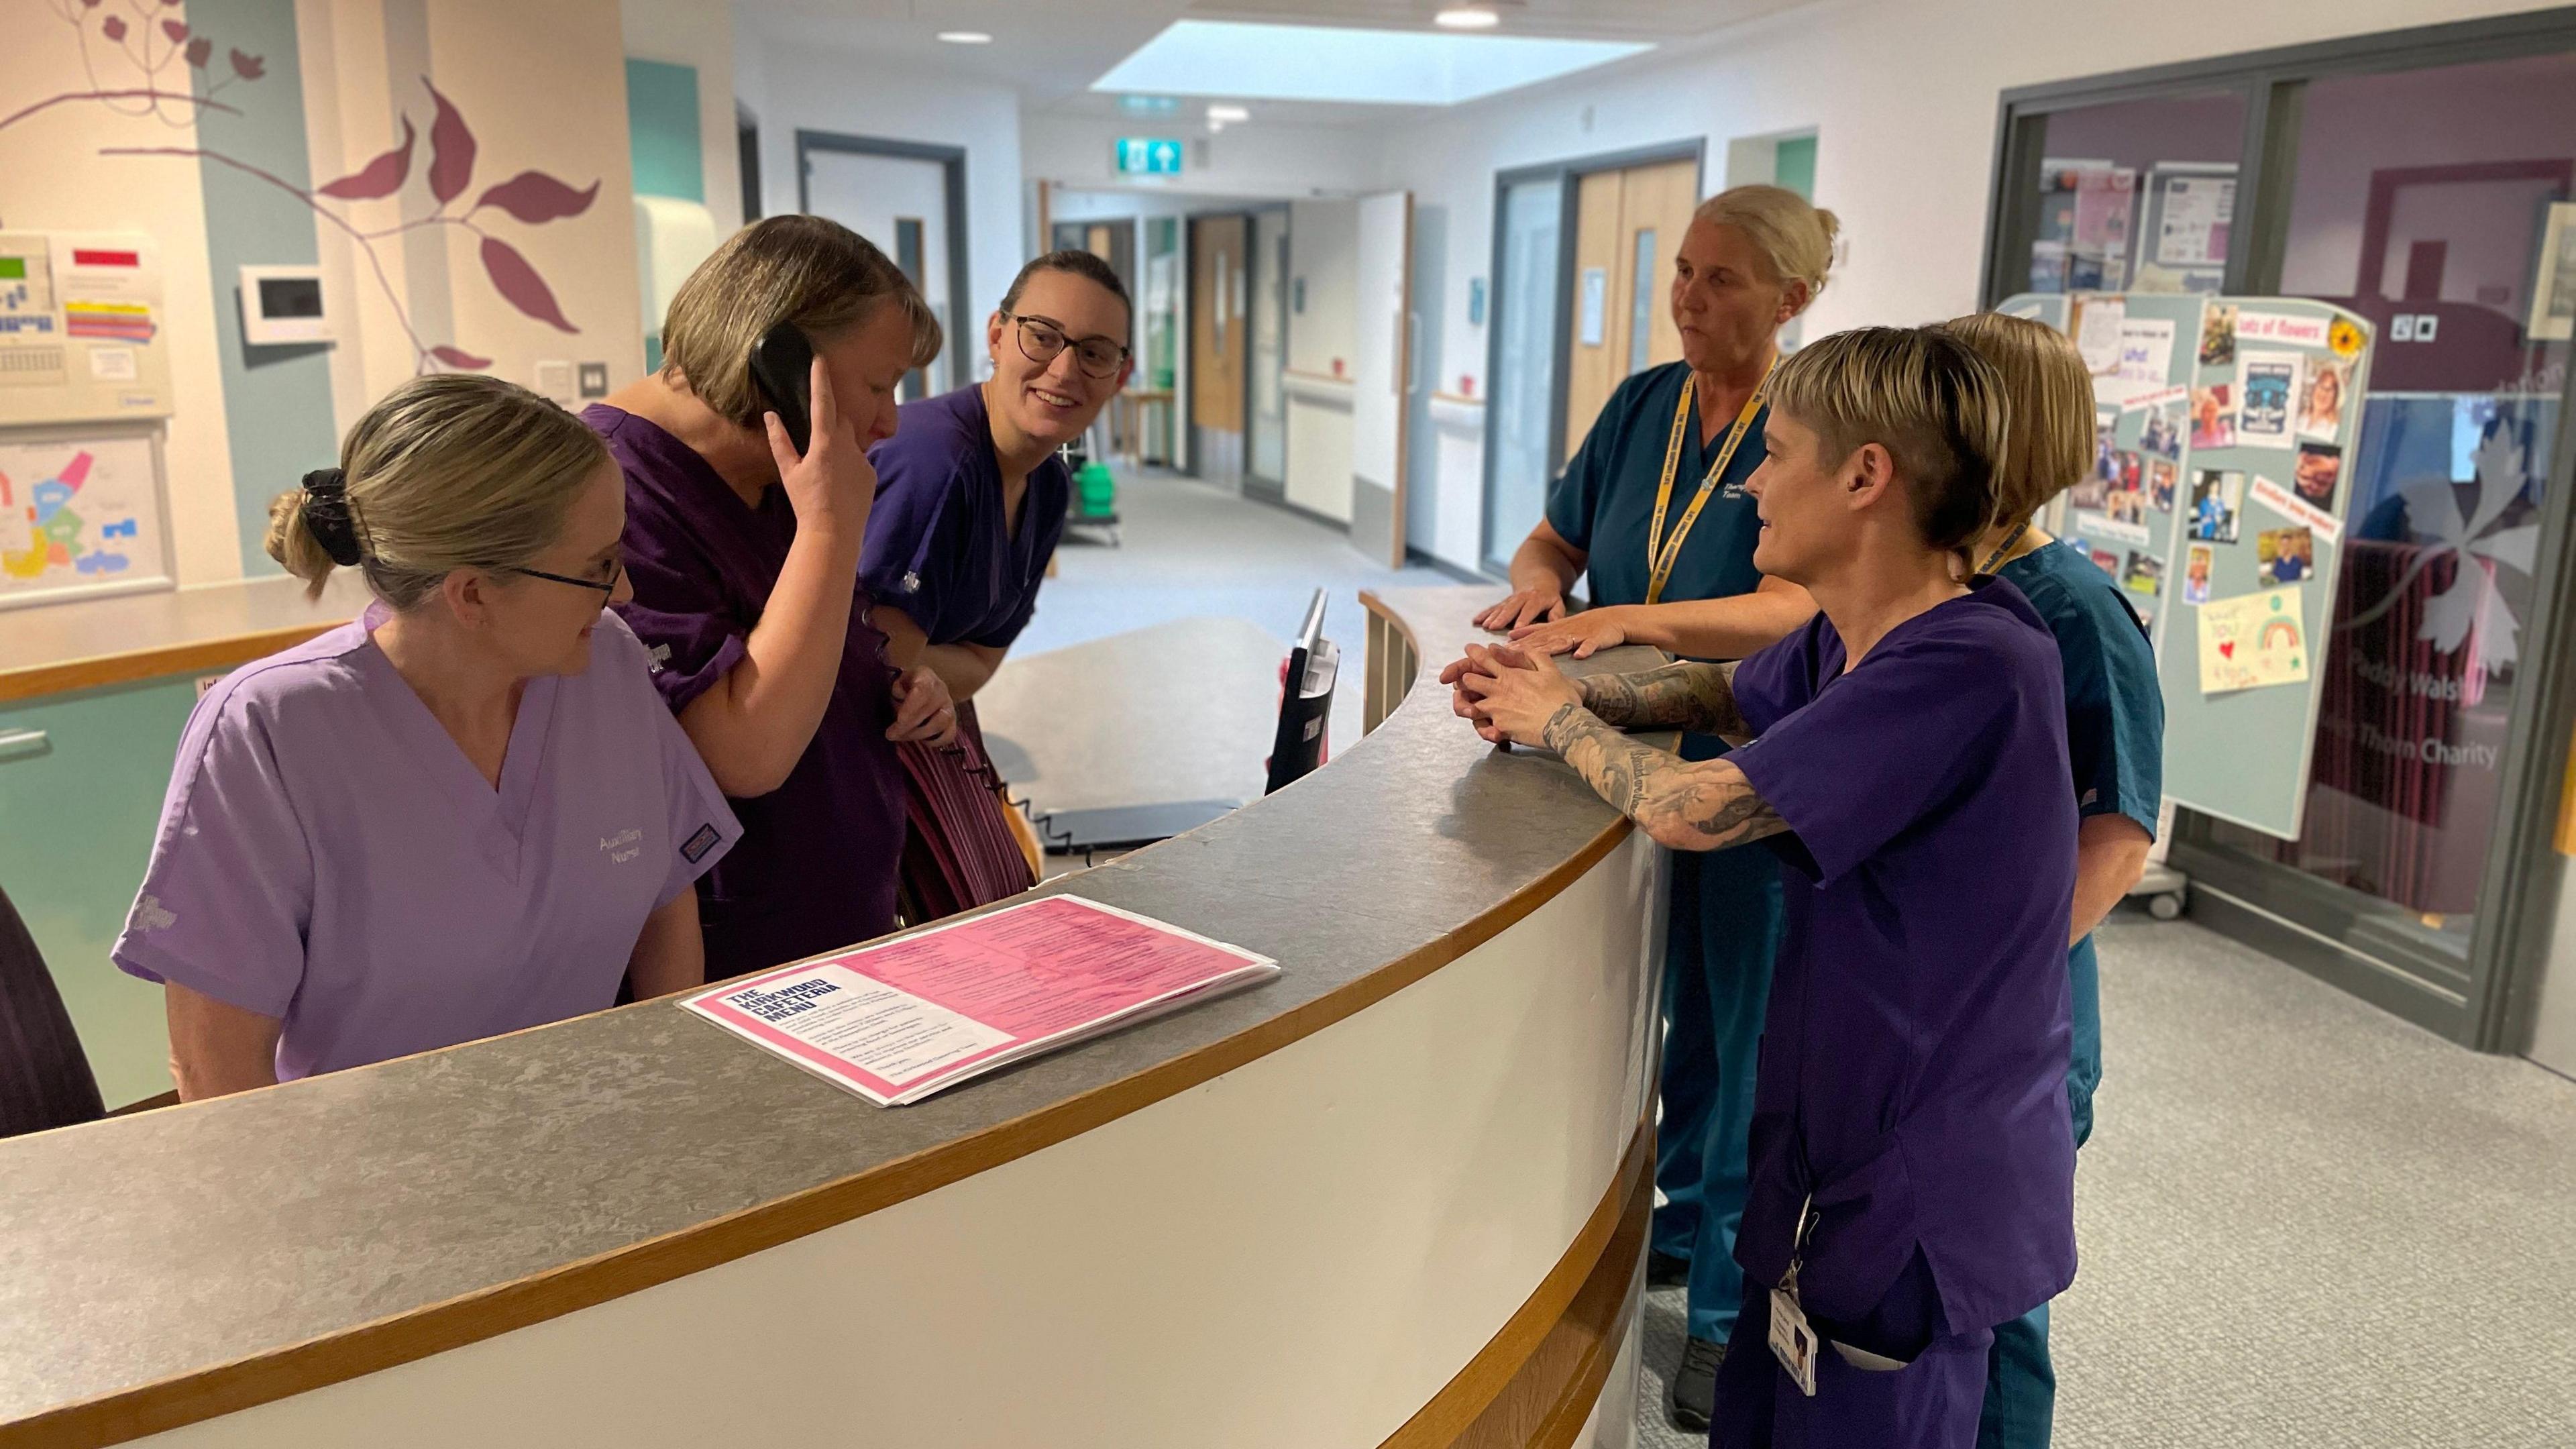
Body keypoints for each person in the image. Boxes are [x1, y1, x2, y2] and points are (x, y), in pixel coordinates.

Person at [1452, 327, 2078, 1448]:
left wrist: (1553, 721)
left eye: (1776, 453)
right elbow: (1720, 690)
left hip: (1923, 1173)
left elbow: (1697, 810)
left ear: (1865, 476)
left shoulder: (1976, 662)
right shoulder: (1859, 637)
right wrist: (1559, 688)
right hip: (1833, 1144)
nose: (1750, 483)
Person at [1450, 183, 1833, 1430]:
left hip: (1741, 771)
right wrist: (1539, 599)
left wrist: (1629, 618)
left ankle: (1724, 1317)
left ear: (1792, 299)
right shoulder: (1640, 407)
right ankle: (1674, 1228)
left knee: (1739, 1052)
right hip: (1609, 755)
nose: (1689, 297)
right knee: (1662, 1024)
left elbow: (1802, 610)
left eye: (1721, 280)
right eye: (1682, 270)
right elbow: (1551, 543)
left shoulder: (1808, 426)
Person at [113, 375, 738, 1098]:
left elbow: (667, 898)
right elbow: (214, 1069)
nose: (623, 593)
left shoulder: (608, 666)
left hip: (588, 1133)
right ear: (471, 593)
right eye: (597, 568)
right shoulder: (271, 732)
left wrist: (672, 1087)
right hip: (362, 1178)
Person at [591, 217, 960, 982]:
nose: (891, 422)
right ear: (779, 363)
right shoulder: (612, 494)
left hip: (833, 931)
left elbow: (812, 644)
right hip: (736, 962)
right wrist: (830, 524)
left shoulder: (772, 471)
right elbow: (742, 753)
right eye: (878, 387)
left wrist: (902, 691)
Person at [1937, 313, 2163, 1449]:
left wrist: (1989, 983)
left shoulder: (2073, 607)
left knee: (1993, 1299)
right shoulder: (1935, 584)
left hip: (2012, 1020)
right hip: (1926, 1007)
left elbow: (2120, 837)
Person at [862, 249, 1133, 918]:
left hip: (938, 734)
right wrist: (934, 669)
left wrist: (937, 668)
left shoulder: (1047, 484)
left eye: (1095, 353)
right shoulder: (936, 464)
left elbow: (979, 665)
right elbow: (879, 671)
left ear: (1119, 376)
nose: (1065, 369)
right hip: (859, 763)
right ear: (995, 334)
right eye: (1043, 336)